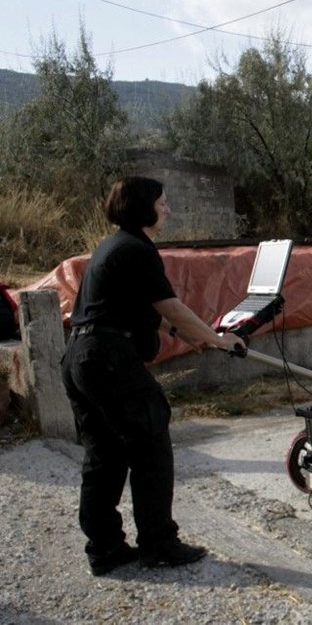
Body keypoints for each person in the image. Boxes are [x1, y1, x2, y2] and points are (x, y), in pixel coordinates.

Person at [62, 175, 246, 576]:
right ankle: (159, 544)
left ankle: (106, 549)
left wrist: (191, 335)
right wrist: (217, 338)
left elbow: (147, 310)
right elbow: (170, 306)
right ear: (142, 207)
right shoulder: (136, 249)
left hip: (81, 358)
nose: (168, 210)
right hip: (109, 360)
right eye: (162, 203)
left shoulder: (112, 246)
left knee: (105, 455)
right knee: (151, 446)